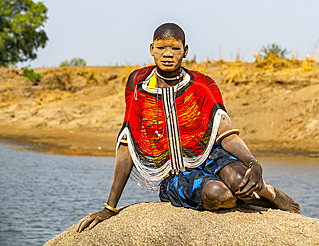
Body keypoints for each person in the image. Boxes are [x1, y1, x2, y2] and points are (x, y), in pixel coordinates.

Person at [77, 23, 300, 233]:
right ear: (151, 49)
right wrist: (110, 208)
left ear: (185, 51)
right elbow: (128, 143)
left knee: (241, 181)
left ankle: (268, 191)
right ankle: (247, 197)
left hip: (211, 155)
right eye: (161, 47)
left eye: (175, 48)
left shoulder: (201, 85)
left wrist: (254, 163)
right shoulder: (139, 84)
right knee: (220, 195)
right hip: (175, 173)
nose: (167, 53)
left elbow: (227, 135)